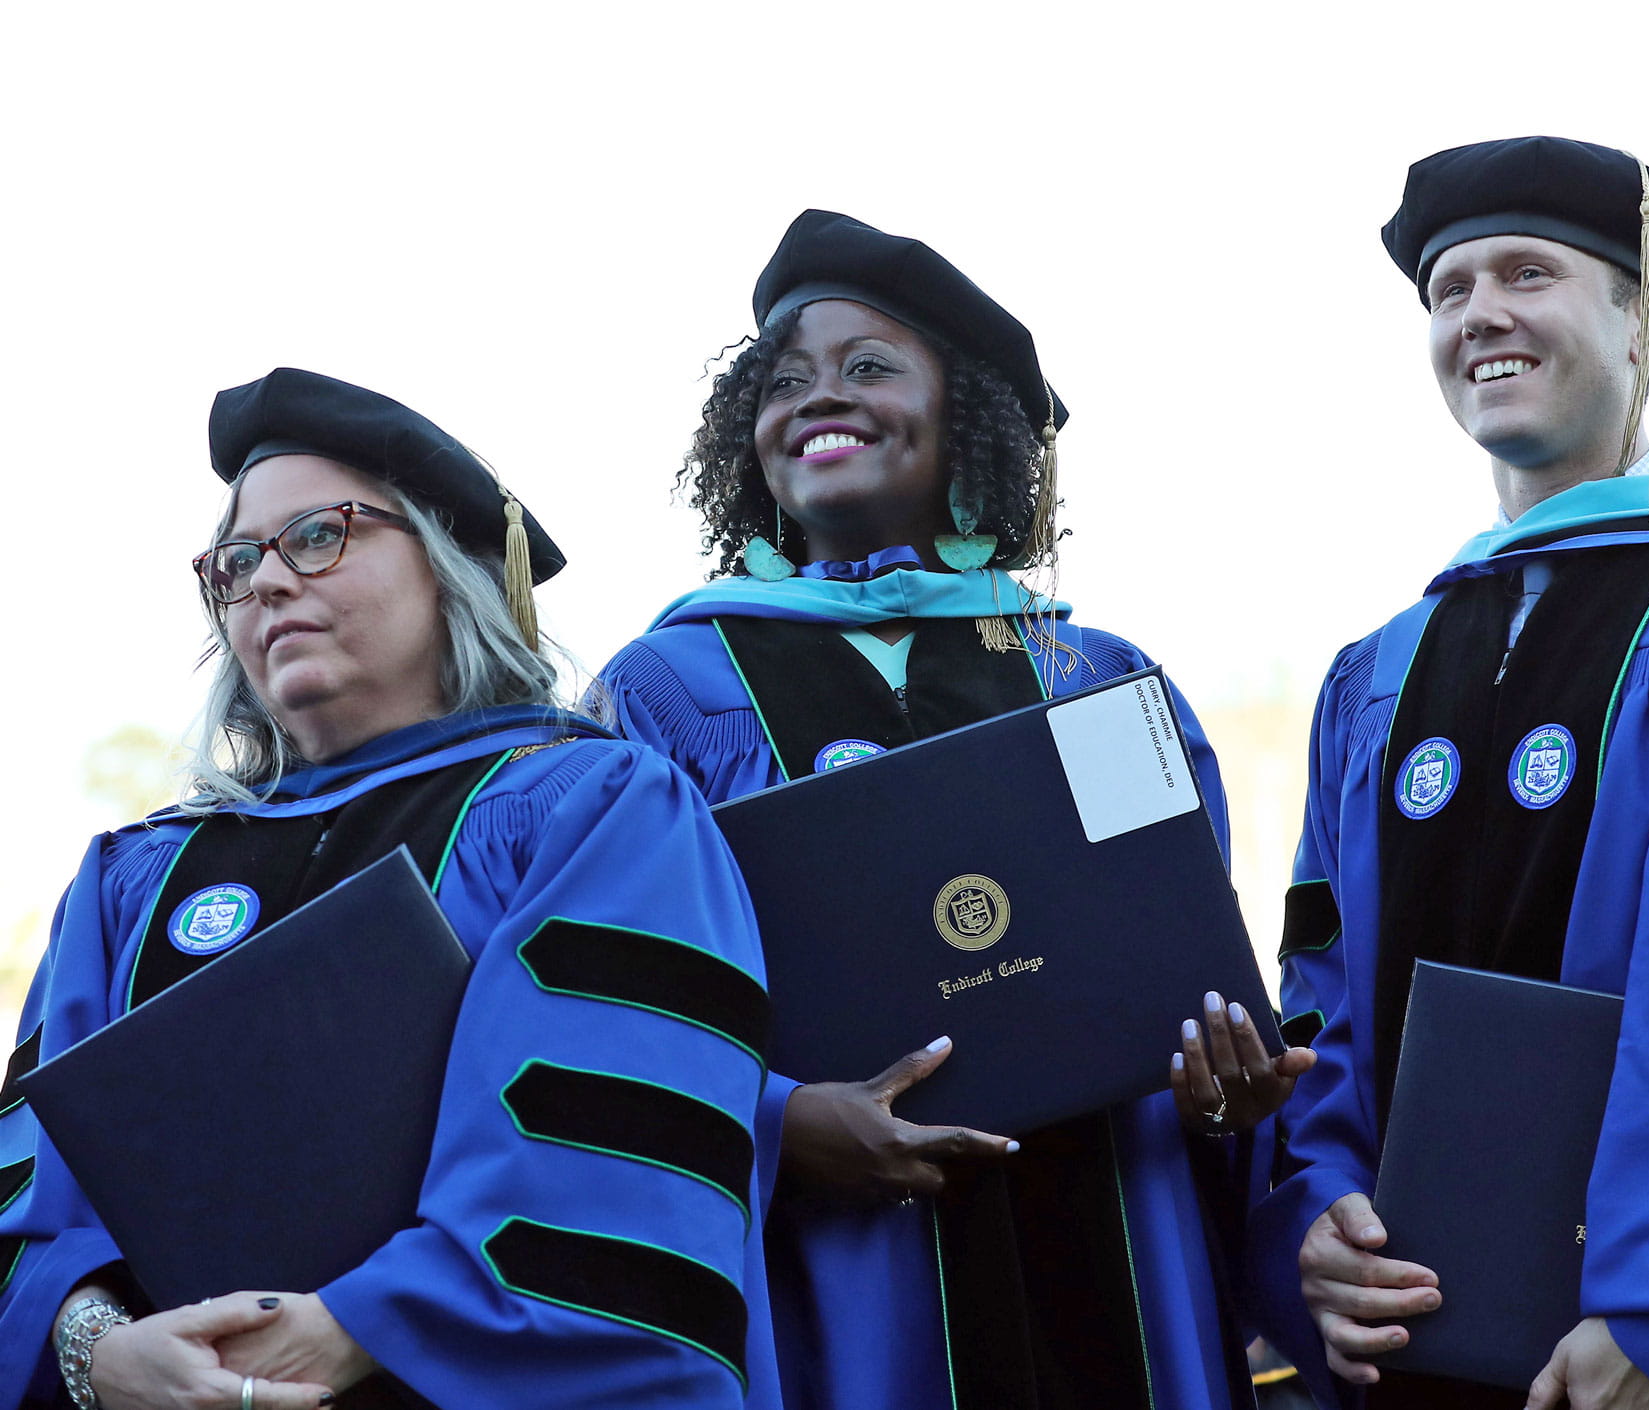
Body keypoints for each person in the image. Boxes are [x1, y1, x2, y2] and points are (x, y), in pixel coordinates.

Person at [594, 210, 1313, 1410]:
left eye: (870, 367)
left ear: (966, 421)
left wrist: (1221, 1080)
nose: (820, 398)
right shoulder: (667, 692)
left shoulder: (1093, 678)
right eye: (783, 383)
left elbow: (1182, 970)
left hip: (1118, 1242)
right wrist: (778, 1126)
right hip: (838, 1273)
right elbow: (619, 1009)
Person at [0, 369, 768, 1410]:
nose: (265, 584)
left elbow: (610, 1166)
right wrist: (93, 1349)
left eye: (318, 535)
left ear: (453, 567)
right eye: (234, 563)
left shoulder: (591, 808)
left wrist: (359, 1326)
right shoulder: (131, 881)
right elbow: (28, 1195)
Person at [1254, 136, 1649, 1409]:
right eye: (1447, 289)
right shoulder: (1377, 670)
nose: (1479, 311)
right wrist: (1316, 1229)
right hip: (1414, 1351)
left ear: (1644, 320)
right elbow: (1317, 1003)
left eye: (1526, 273)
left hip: (1642, 1354)